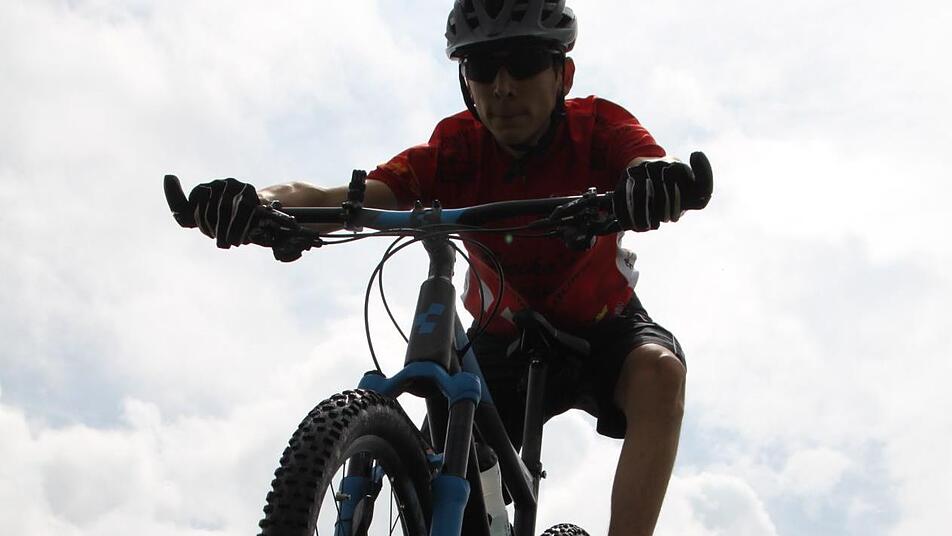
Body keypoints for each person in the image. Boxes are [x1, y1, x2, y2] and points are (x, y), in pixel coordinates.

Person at [179, 1, 711, 534]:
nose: (502, 87)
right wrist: (257, 202)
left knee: (659, 375)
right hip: (500, 338)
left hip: (604, 326)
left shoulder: (597, 127)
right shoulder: (456, 150)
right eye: (482, 67)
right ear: (465, 81)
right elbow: (333, 197)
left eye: (524, 62)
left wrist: (657, 181)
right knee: (440, 478)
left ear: (562, 75)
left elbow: (648, 162)